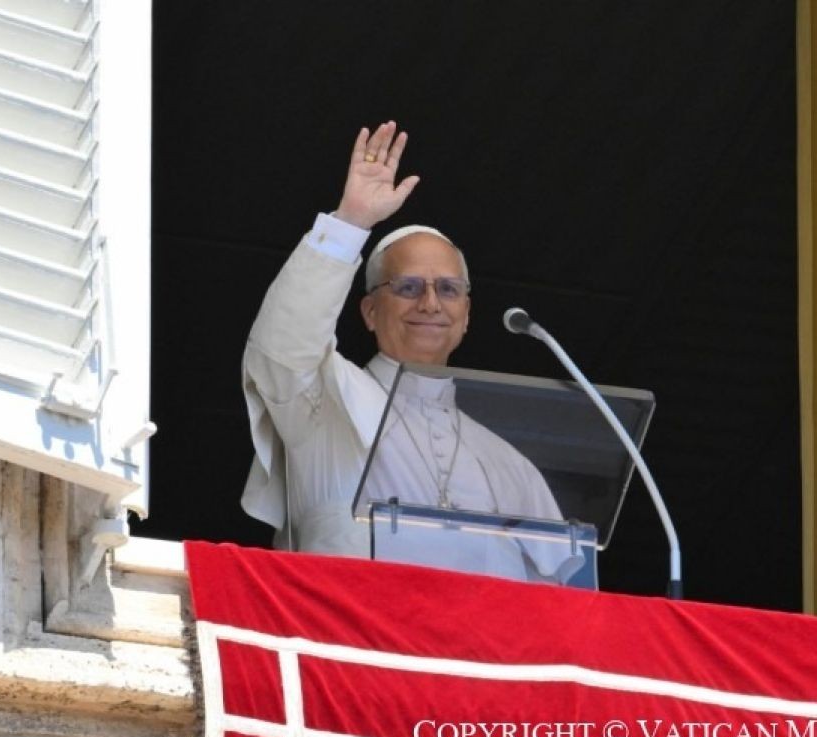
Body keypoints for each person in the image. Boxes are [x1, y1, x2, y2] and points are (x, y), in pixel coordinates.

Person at [241, 121, 578, 583]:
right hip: (349, 640)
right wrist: (351, 221)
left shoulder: (509, 462)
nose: (430, 303)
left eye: (448, 289)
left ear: (467, 314)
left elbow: (563, 593)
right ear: (370, 311)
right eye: (408, 287)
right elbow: (284, 341)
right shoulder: (323, 400)